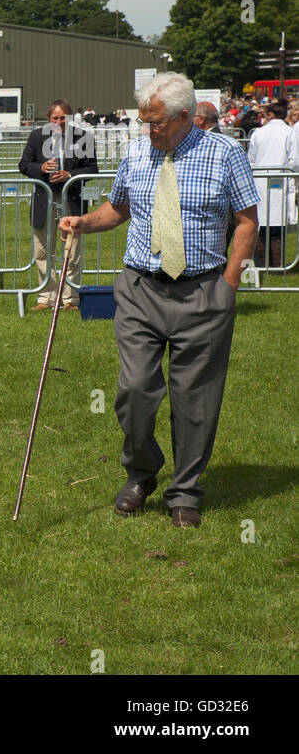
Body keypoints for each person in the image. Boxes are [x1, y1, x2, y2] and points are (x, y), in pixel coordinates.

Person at [59, 72, 258, 528]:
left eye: (157, 123)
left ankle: (185, 490)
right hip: (140, 290)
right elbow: (119, 208)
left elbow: (247, 220)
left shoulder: (225, 154)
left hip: (204, 291)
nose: (149, 131)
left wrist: (230, 282)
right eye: (144, 122)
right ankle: (141, 472)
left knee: (195, 399)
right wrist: (82, 223)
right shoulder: (135, 153)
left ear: (185, 117)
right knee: (135, 389)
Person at [18, 100, 97, 311]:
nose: (59, 122)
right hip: (45, 201)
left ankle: (70, 299)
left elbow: (92, 168)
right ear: (48, 118)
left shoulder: (83, 138)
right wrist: (41, 168)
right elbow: (24, 165)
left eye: (63, 118)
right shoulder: (36, 137)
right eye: (55, 118)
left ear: (70, 119)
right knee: (42, 251)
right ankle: (47, 298)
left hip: (70, 201)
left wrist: (69, 175)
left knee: (72, 252)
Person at [245, 101, 298, 269]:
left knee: (262, 224)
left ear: (270, 115)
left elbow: (251, 160)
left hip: (259, 181)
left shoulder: (258, 133)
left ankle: (263, 264)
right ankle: (278, 266)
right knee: (277, 226)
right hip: (281, 181)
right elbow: (295, 160)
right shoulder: (289, 132)